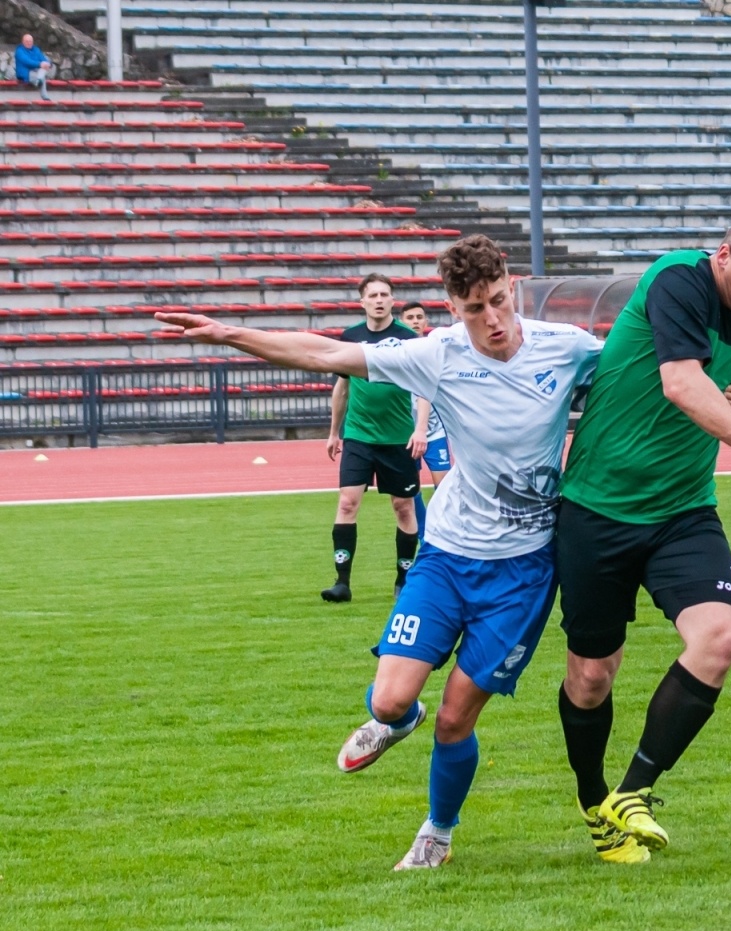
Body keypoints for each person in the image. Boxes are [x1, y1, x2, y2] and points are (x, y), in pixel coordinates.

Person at [154, 236, 617, 869]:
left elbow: (649, 373)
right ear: (452, 307)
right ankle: (398, 723)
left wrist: (723, 387)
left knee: (455, 720)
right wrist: (230, 332)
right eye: (476, 308)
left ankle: (439, 833)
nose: (494, 320)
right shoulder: (436, 354)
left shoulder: (565, 348)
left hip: (522, 572)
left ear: (512, 287)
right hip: (447, 556)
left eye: (501, 301)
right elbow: (326, 352)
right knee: (390, 702)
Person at [554, 214, 731, 857]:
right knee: (591, 676)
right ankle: (596, 807)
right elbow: (679, 381)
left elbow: (709, 377)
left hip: (683, 509)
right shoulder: (678, 278)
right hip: (599, 505)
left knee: (720, 638)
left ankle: (633, 792)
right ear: (723, 255)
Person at [323, 274, 427, 603]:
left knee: (403, 508)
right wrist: (333, 432)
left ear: (392, 301)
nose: (379, 299)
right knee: (347, 502)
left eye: (385, 294)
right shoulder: (351, 337)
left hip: (398, 438)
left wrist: (420, 428)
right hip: (358, 435)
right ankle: (342, 582)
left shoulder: (408, 338)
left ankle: (403, 580)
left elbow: (425, 386)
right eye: (373, 295)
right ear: (362, 301)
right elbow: (342, 387)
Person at [398, 301, 449, 539]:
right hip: (406, 432)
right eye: (410, 317)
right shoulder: (397, 351)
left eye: (419, 317)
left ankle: (444, 532)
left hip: (434, 429)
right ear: (401, 321)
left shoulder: (434, 349)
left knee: (445, 486)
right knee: (411, 487)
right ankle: (423, 534)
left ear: (426, 322)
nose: (416, 321)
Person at [14, 34, 51, 100]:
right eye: (27, 41)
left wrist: (47, 64)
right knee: (43, 77)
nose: (29, 43)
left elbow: (43, 59)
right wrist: (40, 64)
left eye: (30, 41)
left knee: (46, 63)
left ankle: (38, 80)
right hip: (26, 73)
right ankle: (45, 96)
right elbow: (27, 62)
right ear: (23, 42)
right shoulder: (19, 51)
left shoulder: (36, 50)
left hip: (37, 71)